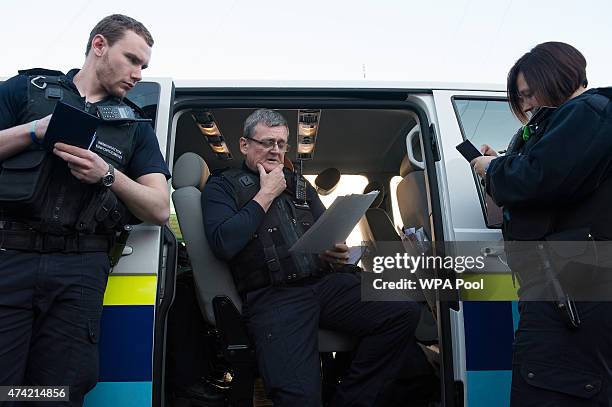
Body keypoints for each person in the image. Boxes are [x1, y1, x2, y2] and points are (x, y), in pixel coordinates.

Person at [202, 109, 428, 406]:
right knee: (300, 399)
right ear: (244, 145)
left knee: (402, 312)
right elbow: (224, 243)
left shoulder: (300, 186)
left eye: (282, 144)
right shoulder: (223, 186)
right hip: (274, 298)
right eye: (267, 142)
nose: (276, 151)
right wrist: (266, 194)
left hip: (325, 285)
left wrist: (336, 253)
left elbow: (327, 233)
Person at [0, 14, 170, 406]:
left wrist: (108, 174)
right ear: (99, 46)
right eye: (132, 59)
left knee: (55, 394)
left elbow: (160, 208)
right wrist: (34, 131)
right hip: (11, 259)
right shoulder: (26, 92)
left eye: (144, 66)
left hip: (78, 271)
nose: (138, 73)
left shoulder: (135, 126)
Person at [471, 42, 612, 406]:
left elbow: (538, 179)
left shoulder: (589, 111)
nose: (526, 104)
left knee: (553, 389)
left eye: (529, 93)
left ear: (558, 76)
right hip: (561, 289)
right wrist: (505, 161)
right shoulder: (569, 124)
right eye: (521, 98)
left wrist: (494, 170)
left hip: (573, 293)